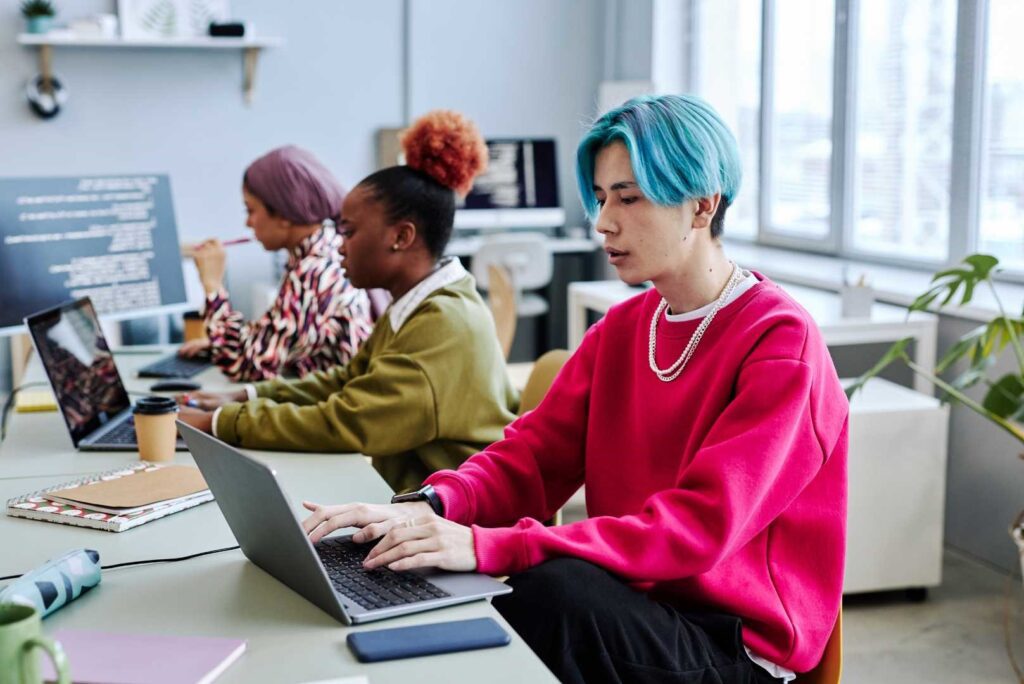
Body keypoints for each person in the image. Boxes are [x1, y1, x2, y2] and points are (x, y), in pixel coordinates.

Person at [299, 95, 848, 683]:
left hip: (732, 648)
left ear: (701, 207)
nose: (604, 220)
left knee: (543, 585)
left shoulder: (778, 340)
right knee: (435, 579)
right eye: (603, 196)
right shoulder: (623, 329)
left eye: (629, 197)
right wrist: (424, 508)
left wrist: (491, 546)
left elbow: (697, 530)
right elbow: (529, 458)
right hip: (633, 607)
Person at [177, 111, 519, 494]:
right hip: (418, 498)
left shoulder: (442, 323)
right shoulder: (418, 303)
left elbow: (348, 421)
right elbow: (346, 381)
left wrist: (220, 422)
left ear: (401, 237)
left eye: (349, 232)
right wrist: (243, 397)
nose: (338, 245)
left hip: (466, 520)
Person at [180, 145, 374, 382]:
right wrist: (216, 346)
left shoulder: (315, 270)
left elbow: (247, 366)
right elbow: (276, 341)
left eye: (251, 210)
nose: (248, 223)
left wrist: (212, 286)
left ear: (283, 214)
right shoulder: (321, 251)